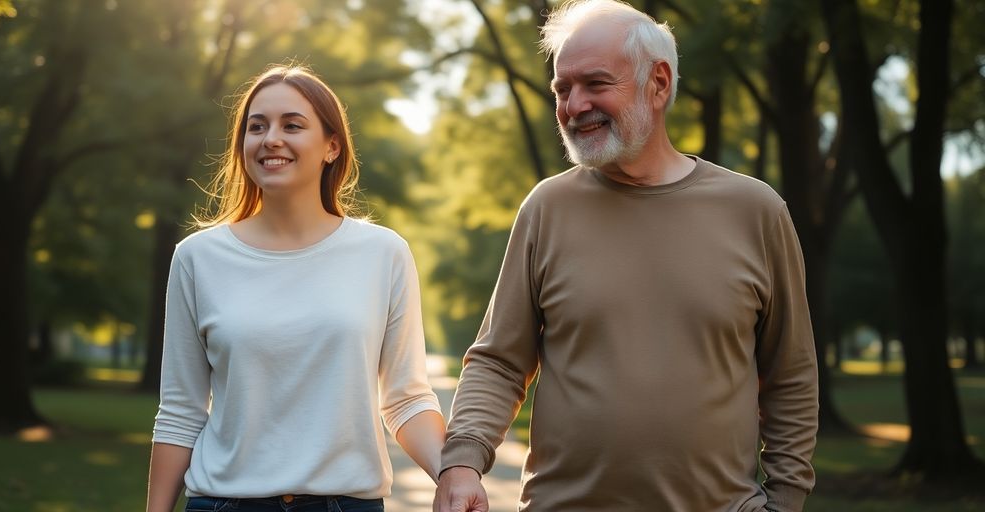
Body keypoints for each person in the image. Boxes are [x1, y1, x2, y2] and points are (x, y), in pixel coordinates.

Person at [434, 0, 818, 511]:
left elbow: (790, 374)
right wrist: (462, 461)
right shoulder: (547, 208)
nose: (573, 106)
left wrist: (786, 502)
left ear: (658, 83)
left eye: (595, 84)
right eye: (562, 90)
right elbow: (500, 361)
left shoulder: (756, 210)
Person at [146, 64, 445, 512]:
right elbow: (180, 411)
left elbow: (405, 398)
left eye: (293, 125)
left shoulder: (383, 253)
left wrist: (454, 476)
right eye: (257, 126)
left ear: (331, 146)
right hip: (225, 503)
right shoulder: (198, 258)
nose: (271, 139)